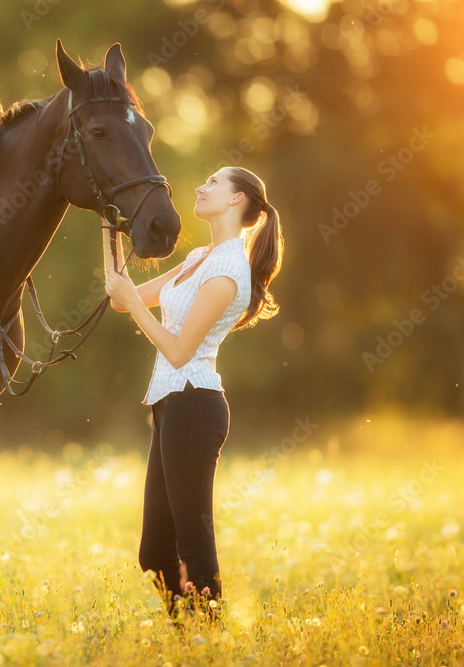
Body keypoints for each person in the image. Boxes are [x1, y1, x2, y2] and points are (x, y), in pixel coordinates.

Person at [102, 166, 284, 623]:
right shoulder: (200, 257)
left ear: (237, 200)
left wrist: (136, 302)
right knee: (154, 552)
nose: (200, 187)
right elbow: (120, 299)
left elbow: (180, 351)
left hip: (194, 405)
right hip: (171, 406)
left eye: (214, 183)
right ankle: (188, 636)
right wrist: (109, 230)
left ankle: (205, 640)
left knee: (193, 548)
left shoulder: (229, 271)